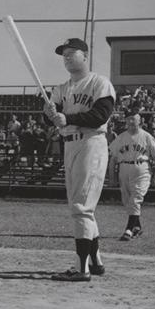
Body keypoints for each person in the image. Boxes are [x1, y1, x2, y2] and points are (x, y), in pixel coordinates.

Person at [43, 38, 115, 282]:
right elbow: (52, 117)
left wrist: (67, 118)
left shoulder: (99, 82)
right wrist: (49, 114)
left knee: (81, 207)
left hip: (91, 142)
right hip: (69, 144)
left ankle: (81, 268)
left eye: (72, 53)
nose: (67, 57)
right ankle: (95, 262)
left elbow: (100, 115)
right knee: (82, 206)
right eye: (63, 54)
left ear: (85, 55)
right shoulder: (61, 88)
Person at [108, 111, 155, 241]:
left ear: (140, 121)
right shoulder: (121, 137)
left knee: (135, 199)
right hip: (123, 170)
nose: (131, 121)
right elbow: (113, 159)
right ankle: (137, 227)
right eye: (129, 119)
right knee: (127, 201)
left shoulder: (146, 137)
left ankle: (128, 230)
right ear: (126, 121)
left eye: (134, 119)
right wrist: (112, 177)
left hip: (142, 169)